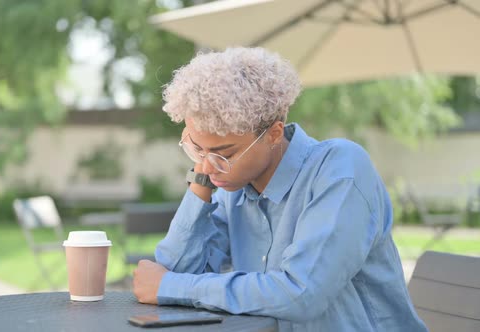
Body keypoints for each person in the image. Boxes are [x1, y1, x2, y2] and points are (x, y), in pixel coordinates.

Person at [132, 47, 428, 331]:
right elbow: (171, 275)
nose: (208, 166)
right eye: (196, 149)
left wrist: (170, 287)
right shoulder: (229, 186)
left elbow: (300, 294)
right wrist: (201, 182)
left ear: (273, 134)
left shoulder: (340, 171)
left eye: (224, 153)